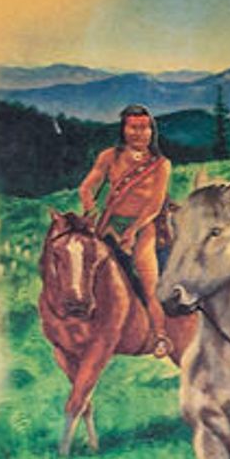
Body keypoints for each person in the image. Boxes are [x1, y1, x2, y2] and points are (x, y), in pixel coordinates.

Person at [72, 103, 178, 329]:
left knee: (149, 284)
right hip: (109, 222)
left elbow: (154, 205)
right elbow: (86, 188)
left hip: (143, 226)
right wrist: (90, 211)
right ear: (123, 130)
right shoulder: (109, 157)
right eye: (134, 128)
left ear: (152, 131)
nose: (140, 133)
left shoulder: (161, 165)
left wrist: (132, 231)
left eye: (145, 127)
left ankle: (159, 334)